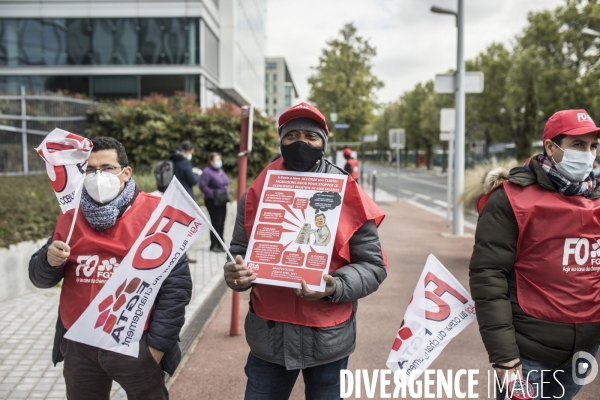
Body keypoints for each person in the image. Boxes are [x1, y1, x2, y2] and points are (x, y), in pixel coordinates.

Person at [223, 102, 387, 399]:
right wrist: (235, 274)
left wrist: (334, 286)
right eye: (292, 135)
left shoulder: (347, 191)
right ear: (281, 142)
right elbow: (238, 252)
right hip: (269, 339)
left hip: (328, 338)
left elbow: (373, 266)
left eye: (310, 137)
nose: (301, 143)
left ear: (323, 144)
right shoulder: (257, 193)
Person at [29, 137, 192, 400]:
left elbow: (177, 287)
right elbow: (39, 278)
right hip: (79, 343)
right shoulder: (71, 216)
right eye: (90, 170)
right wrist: (49, 261)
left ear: (126, 173)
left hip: (135, 341)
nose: (97, 176)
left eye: (106, 168)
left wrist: (157, 347)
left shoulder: (155, 215)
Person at [470, 109, 600, 400]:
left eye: (592, 146)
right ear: (551, 147)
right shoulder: (511, 198)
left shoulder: (595, 197)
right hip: (527, 357)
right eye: (578, 145)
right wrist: (505, 359)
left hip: (583, 352)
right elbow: (488, 278)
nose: (588, 154)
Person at [199, 152, 230, 253]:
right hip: (213, 201)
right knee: (215, 223)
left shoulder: (220, 170)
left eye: (219, 159)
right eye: (216, 160)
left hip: (222, 199)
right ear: (211, 161)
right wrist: (212, 194)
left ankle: (221, 243)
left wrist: (227, 192)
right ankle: (214, 245)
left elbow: (225, 183)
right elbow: (202, 185)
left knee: (222, 223)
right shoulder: (207, 172)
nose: (218, 162)